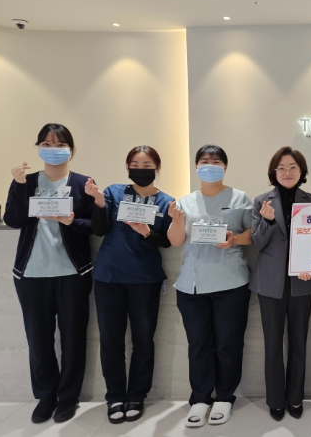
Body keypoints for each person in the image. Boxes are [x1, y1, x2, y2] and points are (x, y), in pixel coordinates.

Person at [4, 123, 95, 424]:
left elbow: (94, 227)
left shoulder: (83, 183)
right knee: (39, 339)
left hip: (72, 274)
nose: (53, 148)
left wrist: (71, 222)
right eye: (46, 143)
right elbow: (14, 220)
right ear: (38, 148)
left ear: (71, 149)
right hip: (31, 275)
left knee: (73, 338)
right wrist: (18, 185)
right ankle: (46, 396)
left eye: (59, 144)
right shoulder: (27, 181)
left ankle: (68, 397)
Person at [85, 146, 174, 424]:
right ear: (127, 167)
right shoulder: (113, 193)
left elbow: (167, 241)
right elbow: (99, 230)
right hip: (109, 278)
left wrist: (147, 233)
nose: (141, 169)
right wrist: (99, 202)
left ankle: (136, 395)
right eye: (135, 164)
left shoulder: (167, 201)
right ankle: (114, 396)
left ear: (157, 168)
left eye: (147, 165)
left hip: (145, 279)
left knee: (143, 340)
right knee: (111, 340)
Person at [167, 145, 253, 428]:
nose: (210, 166)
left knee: (228, 343)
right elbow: (176, 240)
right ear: (196, 167)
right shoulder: (185, 201)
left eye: (216, 162)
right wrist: (176, 220)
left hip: (231, 283)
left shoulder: (240, 198)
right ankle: (201, 398)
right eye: (204, 161)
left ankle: (225, 397)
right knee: (199, 344)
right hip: (192, 285)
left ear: (225, 167)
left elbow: (252, 234)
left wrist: (234, 239)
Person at [250, 147, 311, 421]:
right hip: (270, 283)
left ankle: (295, 398)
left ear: (301, 171)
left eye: (292, 167)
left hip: (303, 281)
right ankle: (276, 400)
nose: (287, 172)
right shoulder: (261, 201)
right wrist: (267, 221)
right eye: (281, 168)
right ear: (273, 172)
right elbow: (257, 242)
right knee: (273, 344)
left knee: (299, 342)